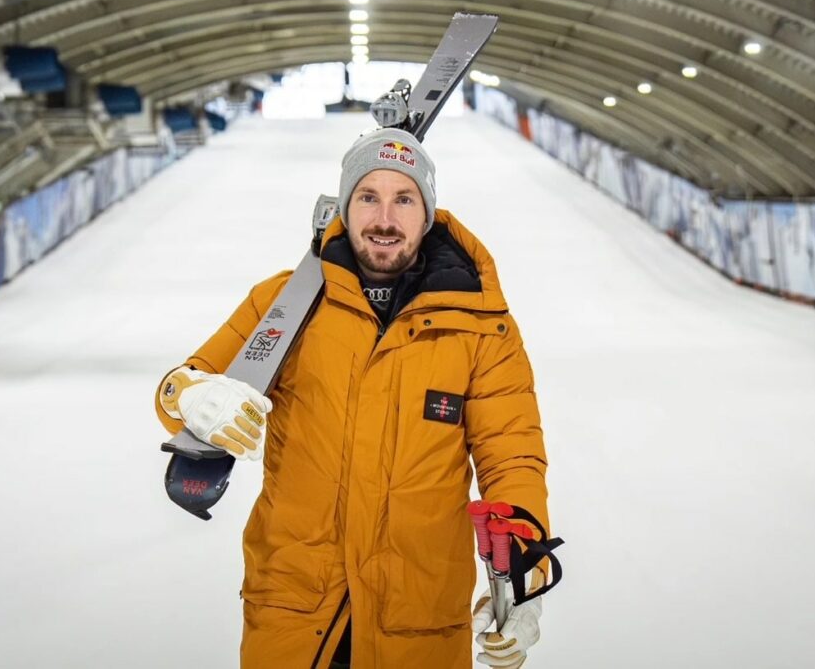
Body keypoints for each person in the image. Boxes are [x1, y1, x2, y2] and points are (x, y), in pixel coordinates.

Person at [155, 128, 554, 668]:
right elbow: (184, 383)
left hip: (417, 623)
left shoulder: (481, 327)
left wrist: (522, 576)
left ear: (427, 212)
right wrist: (193, 398)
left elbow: (513, 458)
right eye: (368, 197)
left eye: (403, 198)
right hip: (296, 614)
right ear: (346, 206)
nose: (384, 219)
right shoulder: (286, 304)